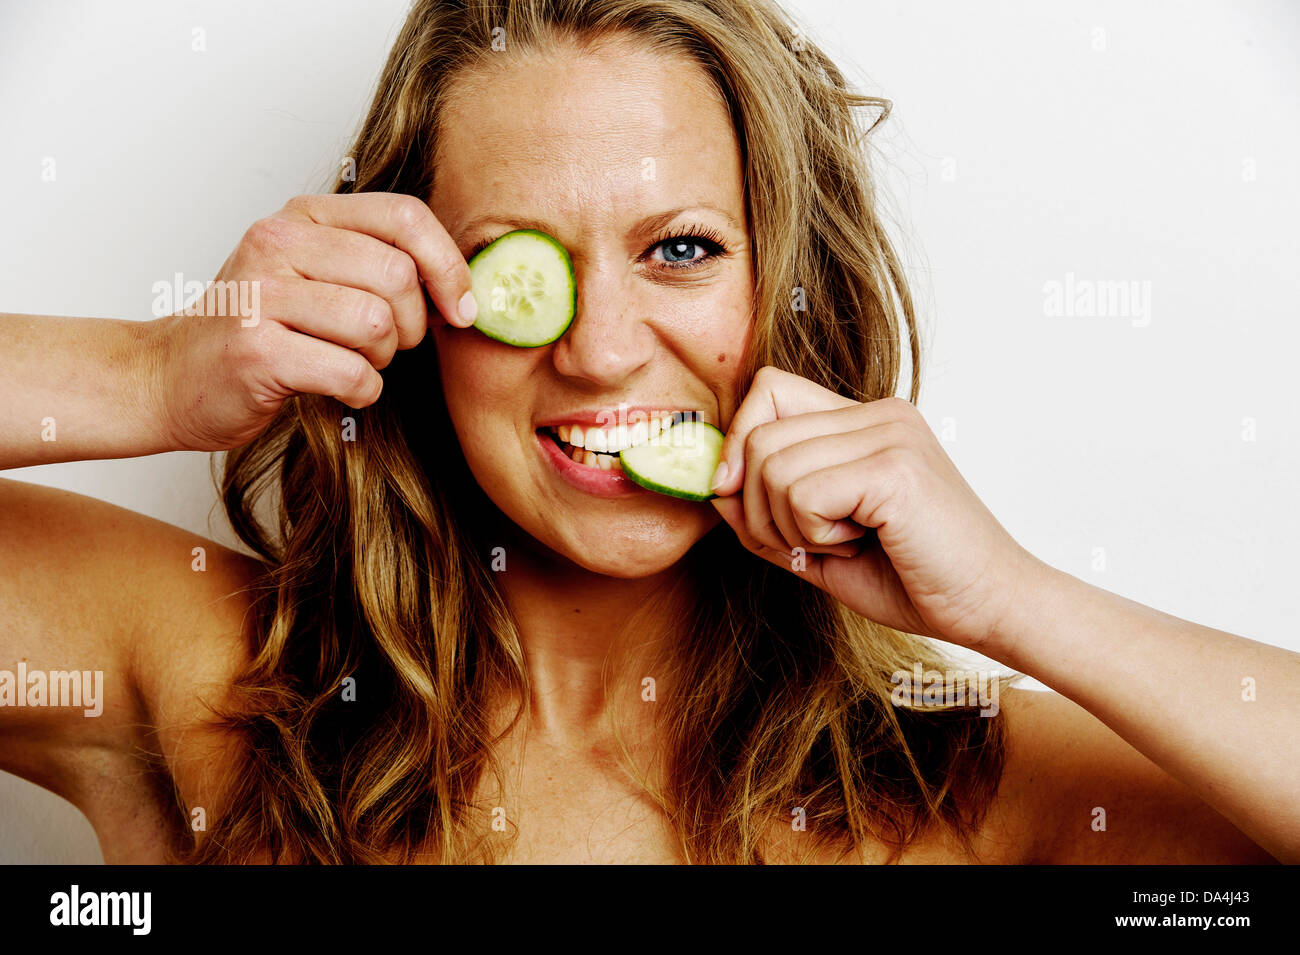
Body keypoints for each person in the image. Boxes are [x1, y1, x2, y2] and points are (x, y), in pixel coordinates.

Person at [0, 0, 1291, 864]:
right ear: (406, 298)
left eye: (681, 250)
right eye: (516, 263)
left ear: (794, 290)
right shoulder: (214, 682)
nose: (603, 348)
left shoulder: (970, 782)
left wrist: (1017, 602)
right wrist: (142, 372)